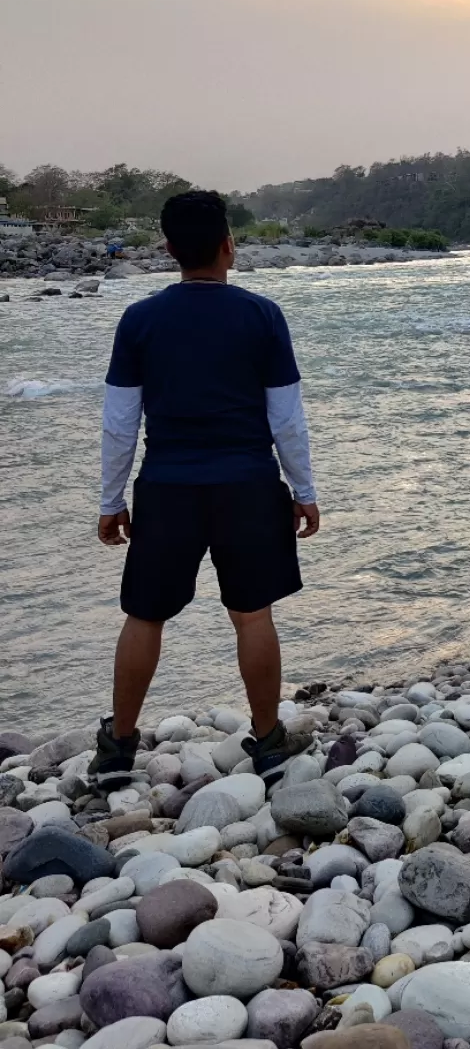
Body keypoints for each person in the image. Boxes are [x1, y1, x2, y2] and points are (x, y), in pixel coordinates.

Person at [89, 189, 320, 787]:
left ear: (168, 250)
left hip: (168, 486)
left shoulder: (140, 320)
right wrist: (303, 486)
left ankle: (117, 747)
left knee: (144, 617)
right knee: (253, 615)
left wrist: (112, 500)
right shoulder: (262, 316)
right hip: (247, 484)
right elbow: (286, 417)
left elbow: (120, 422)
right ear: (228, 247)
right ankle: (268, 740)